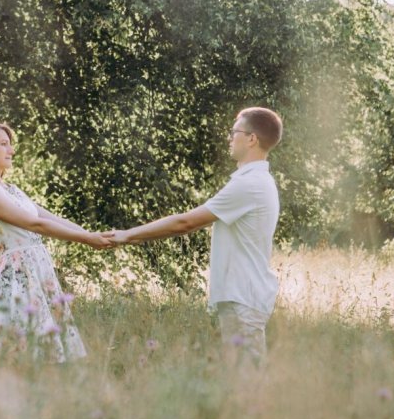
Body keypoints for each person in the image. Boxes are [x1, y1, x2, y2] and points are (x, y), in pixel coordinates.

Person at [106, 107, 283, 365]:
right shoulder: (252, 180)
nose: (229, 138)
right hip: (243, 297)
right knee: (240, 381)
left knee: (247, 385)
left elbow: (185, 223)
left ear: (252, 139)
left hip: (244, 299)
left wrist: (126, 235)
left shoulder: (250, 184)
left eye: (234, 132)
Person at [0, 121, 112, 362]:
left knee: (49, 346)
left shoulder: (10, 189)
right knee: (22, 348)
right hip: (19, 274)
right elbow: (35, 224)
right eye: (4, 144)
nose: (11, 150)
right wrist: (87, 239)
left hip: (38, 268)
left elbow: (49, 217)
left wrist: (93, 235)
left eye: (10, 144)